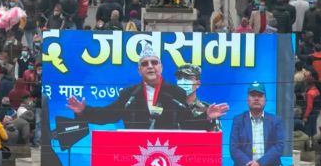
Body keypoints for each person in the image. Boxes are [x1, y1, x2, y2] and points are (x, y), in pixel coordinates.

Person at [65, 44, 228, 130]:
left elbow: (185, 122)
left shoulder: (175, 92)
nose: (150, 66)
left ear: (161, 68)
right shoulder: (129, 94)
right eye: (145, 64)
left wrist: (206, 116)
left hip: (168, 153)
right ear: (139, 70)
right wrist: (84, 111)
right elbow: (109, 115)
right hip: (134, 153)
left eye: (154, 63)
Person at [229, 81, 286, 166]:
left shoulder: (276, 120)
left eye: (260, 95)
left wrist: (260, 165)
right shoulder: (238, 120)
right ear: (247, 99)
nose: (256, 98)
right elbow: (234, 149)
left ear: (265, 100)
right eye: (253, 95)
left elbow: (279, 146)